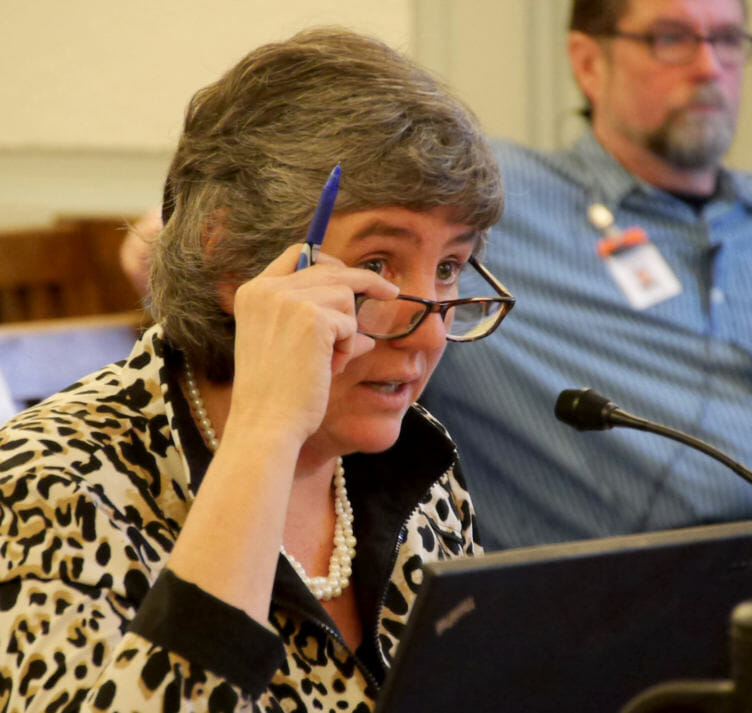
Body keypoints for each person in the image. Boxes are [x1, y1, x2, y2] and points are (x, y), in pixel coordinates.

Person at [0, 28, 511, 712]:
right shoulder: (50, 485)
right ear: (229, 256)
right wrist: (266, 431)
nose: (429, 332)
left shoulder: (417, 464)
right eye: (376, 264)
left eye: (449, 266)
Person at [423, 0, 752, 550]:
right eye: (671, 38)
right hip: (646, 583)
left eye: (727, 39)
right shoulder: (499, 206)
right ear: (589, 63)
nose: (709, 67)